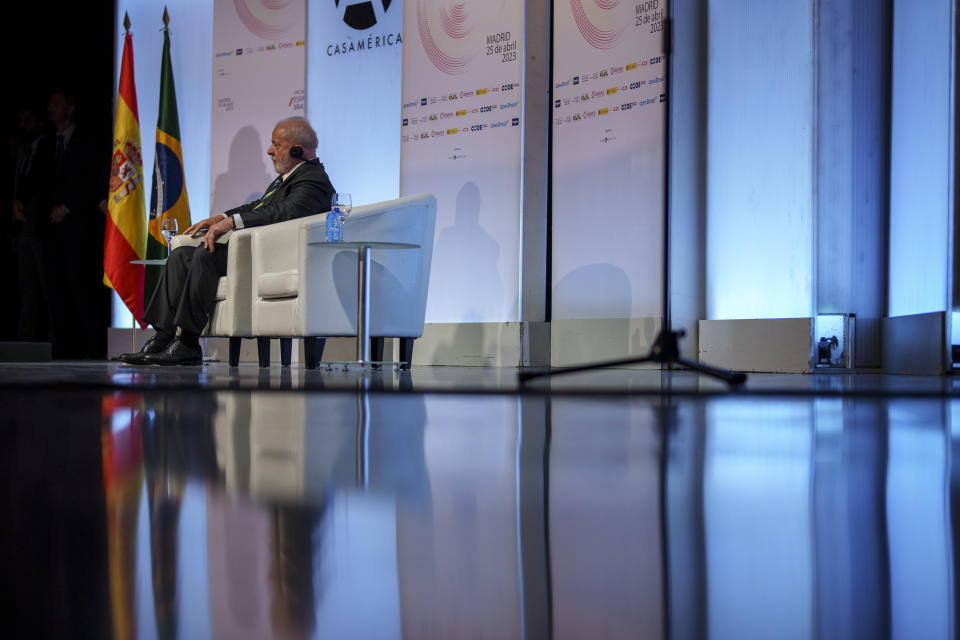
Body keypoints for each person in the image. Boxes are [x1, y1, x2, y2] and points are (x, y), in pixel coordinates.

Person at [119, 116, 334, 365]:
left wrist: (232, 223)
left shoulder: (313, 178)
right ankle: (163, 337)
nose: (269, 150)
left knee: (204, 255)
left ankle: (188, 344)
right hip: (260, 253)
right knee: (180, 256)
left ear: (298, 150)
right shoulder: (289, 177)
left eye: (277, 145)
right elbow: (260, 205)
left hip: (277, 259)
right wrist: (220, 217)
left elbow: (283, 213)